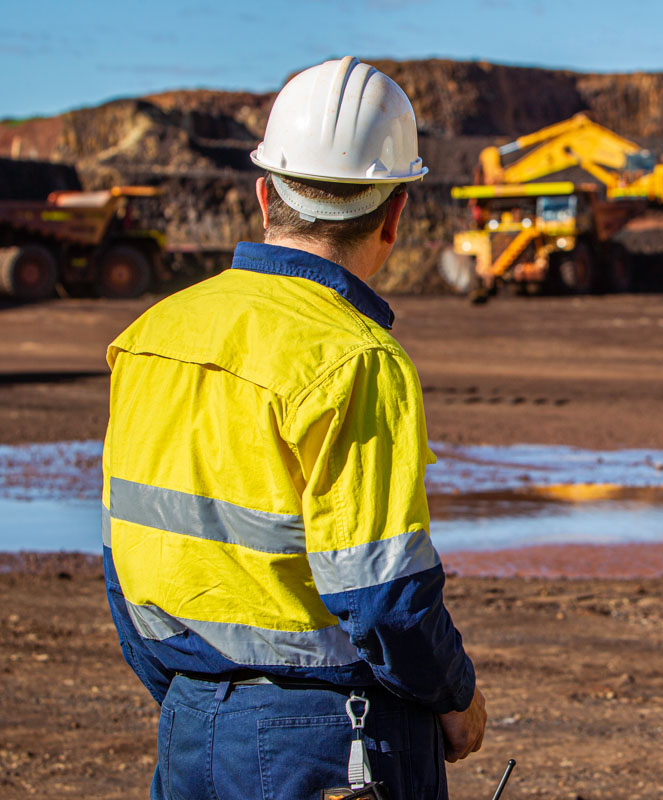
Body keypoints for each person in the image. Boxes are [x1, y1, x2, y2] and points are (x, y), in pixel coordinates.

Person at [101, 57, 486, 800]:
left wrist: (198, 696)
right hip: (333, 734)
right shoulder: (356, 358)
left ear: (262, 193)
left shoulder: (152, 334)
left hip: (190, 718)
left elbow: (124, 566)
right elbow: (381, 596)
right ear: (396, 213)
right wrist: (455, 698)